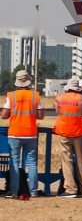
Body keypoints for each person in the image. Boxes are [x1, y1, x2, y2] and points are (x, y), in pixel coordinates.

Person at [1, 70, 45, 199]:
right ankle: (33, 191)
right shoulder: (35, 96)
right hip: (30, 133)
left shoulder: (11, 96)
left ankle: (14, 191)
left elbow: (4, 115)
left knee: (14, 162)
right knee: (32, 163)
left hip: (15, 133)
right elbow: (41, 115)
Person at [53, 78, 82, 198]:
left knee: (67, 161)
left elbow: (57, 111)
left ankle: (70, 189)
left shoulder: (59, 97)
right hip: (79, 132)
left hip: (63, 131)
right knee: (81, 161)